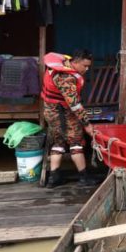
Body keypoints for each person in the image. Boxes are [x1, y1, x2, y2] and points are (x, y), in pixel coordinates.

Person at [41, 49, 101, 188]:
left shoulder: (61, 64)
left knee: (58, 142)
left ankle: (53, 178)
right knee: (76, 141)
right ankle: (84, 177)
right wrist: (86, 124)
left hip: (50, 111)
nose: (86, 69)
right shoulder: (65, 78)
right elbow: (74, 104)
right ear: (75, 62)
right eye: (84, 66)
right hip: (62, 113)